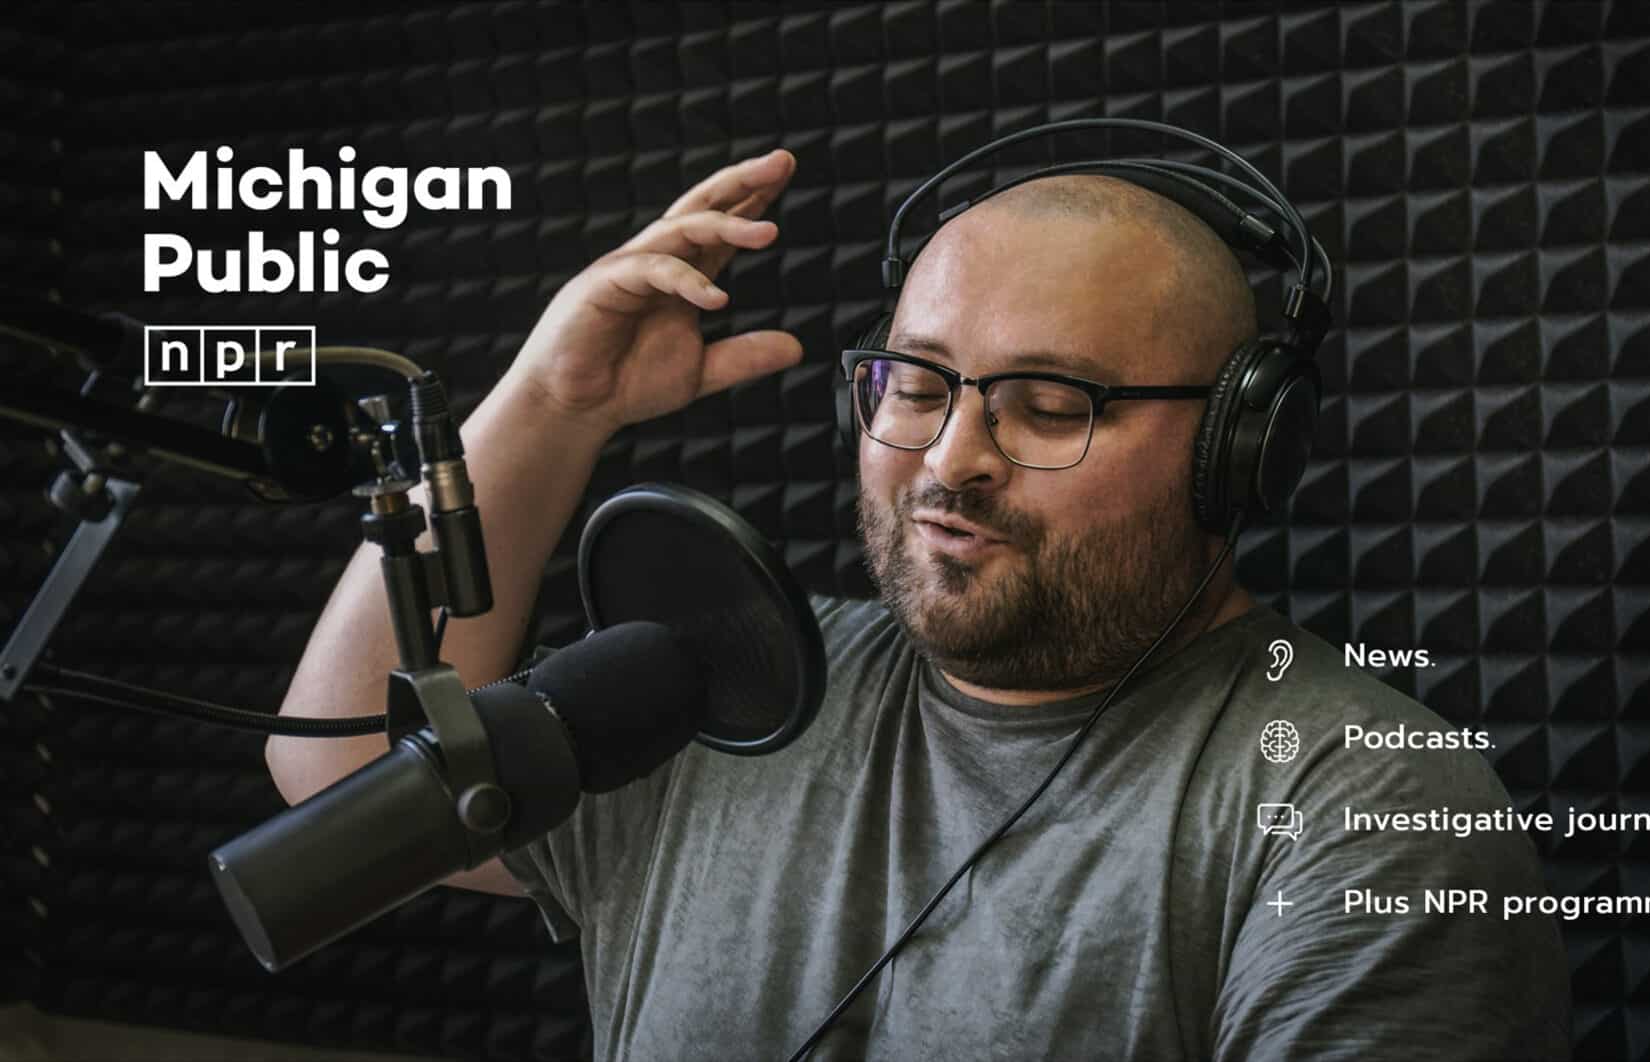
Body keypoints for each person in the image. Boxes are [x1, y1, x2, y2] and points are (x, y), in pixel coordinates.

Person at [267, 146, 1571, 1060]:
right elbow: (341, 781)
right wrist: (551, 410)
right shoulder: (713, 689)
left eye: (1051, 405)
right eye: (914, 383)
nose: (952, 459)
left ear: (1242, 450)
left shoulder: (1365, 809)